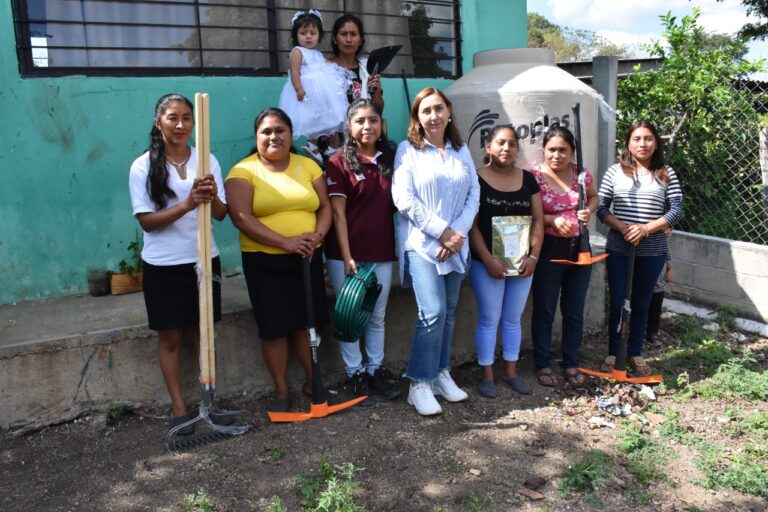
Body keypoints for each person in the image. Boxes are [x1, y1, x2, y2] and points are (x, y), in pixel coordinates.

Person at [128, 93, 229, 435]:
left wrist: (212, 194)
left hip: (204, 258)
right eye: (173, 117)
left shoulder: (206, 160)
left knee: (203, 334)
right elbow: (147, 222)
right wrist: (187, 204)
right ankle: (179, 406)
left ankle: (209, 402)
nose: (181, 124)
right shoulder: (142, 166)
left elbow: (220, 214)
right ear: (159, 123)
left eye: (187, 117)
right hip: (164, 265)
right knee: (171, 336)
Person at [224, 107, 332, 412]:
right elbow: (241, 218)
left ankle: (315, 385)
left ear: (290, 134)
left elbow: (324, 207)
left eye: (280, 130)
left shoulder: (307, 166)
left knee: (306, 323)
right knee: (274, 327)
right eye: (266, 132)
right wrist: (285, 241)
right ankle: (282, 391)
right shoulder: (243, 171)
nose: (274, 137)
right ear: (257, 136)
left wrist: (318, 235)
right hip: (264, 261)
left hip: (307, 257)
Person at [392, 87, 479, 416]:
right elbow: (404, 198)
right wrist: (442, 233)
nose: (433, 115)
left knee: (450, 312)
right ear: (417, 117)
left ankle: (441, 373)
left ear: (448, 112)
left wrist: (457, 235)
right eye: (425, 110)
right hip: (425, 246)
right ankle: (419, 383)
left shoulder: (460, 149)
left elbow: (474, 193)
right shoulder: (407, 151)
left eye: (438, 108)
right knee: (433, 312)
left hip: (457, 245)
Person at [325, 99, 399, 405]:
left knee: (376, 315)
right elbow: (338, 214)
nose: (367, 126)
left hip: (381, 251)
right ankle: (354, 373)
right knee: (349, 315)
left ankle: (374, 370)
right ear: (349, 127)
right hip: (346, 255)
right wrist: (346, 256)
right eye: (360, 121)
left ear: (382, 125)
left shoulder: (393, 159)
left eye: (373, 120)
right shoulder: (337, 162)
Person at [597, 121, 683, 376]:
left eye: (648, 138)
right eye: (637, 139)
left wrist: (646, 229)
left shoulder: (666, 173)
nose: (642, 144)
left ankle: (634, 352)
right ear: (628, 143)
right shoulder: (615, 172)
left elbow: (676, 209)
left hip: (652, 249)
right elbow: (600, 207)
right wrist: (623, 227)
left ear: (656, 142)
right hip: (619, 248)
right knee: (618, 302)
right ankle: (614, 351)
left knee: (642, 302)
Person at [468, 125, 544, 398]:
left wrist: (534, 257)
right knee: (489, 319)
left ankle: (511, 372)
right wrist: (488, 260)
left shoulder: (528, 180)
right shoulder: (476, 179)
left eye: (512, 144)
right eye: (500, 143)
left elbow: (538, 221)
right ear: (488, 147)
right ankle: (487, 374)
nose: (506, 148)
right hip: (486, 264)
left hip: (522, 264)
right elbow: (472, 225)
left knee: (513, 318)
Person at [530, 125, 598, 388]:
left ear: (572, 152)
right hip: (548, 248)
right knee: (545, 308)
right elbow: (528, 214)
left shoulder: (582, 175)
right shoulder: (533, 177)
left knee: (574, 309)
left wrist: (588, 211)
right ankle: (542, 363)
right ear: (544, 150)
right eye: (551, 149)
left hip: (580, 247)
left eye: (563, 150)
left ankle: (570, 362)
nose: (556, 155)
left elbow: (594, 198)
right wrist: (553, 220)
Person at [278, 9, 349, 163]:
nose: (308, 36)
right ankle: (315, 144)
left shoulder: (317, 53)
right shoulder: (298, 51)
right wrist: (298, 88)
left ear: (319, 36)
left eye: (313, 33)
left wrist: (339, 67)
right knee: (317, 120)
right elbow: (295, 71)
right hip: (309, 92)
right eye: (303, 33)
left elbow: (325, 64)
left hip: (322, 93)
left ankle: (330, 147)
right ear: (296, 36)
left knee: (330, 118)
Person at [328, 14, 384, 112]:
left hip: (362, 125)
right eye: (343, 34)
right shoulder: (325, 67)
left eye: (353, 34)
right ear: (334, 39)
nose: (348, 39)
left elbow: (379, 109)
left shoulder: (367, 69)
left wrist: (375, 93)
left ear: (360, 40)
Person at [646, 230, 673, 345]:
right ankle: (638, 329)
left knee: (655, 308)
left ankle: (653, 332)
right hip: (643, 277)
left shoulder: (663, 238)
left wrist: (670, 268)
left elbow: (667, 252)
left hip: (659, 280)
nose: (668, 231)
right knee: (641, 305)